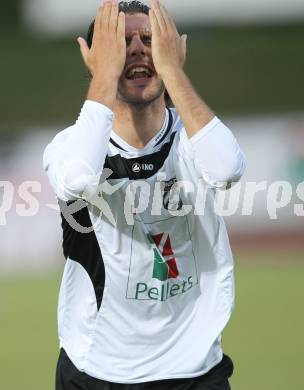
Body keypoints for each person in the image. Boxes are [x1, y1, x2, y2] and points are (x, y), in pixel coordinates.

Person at [43, 0, 245, 389]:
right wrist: (104, 72)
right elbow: (78, 179)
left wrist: (171, 70)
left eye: (149, 39)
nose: (136, 48)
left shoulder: (192, 141)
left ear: (173, 48)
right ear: (94, 56)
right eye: (121, 41)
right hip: (95, 371)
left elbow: (227, 170)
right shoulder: (70, 147)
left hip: (194, 370)